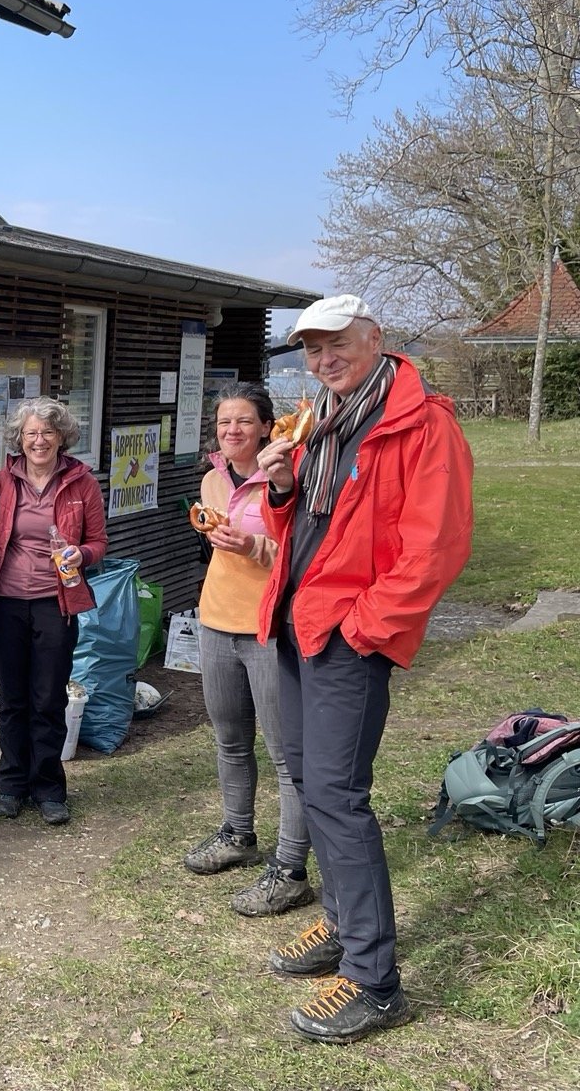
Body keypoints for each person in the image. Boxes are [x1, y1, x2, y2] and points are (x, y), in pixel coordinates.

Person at [256, 295, 473, 1042]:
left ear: (374, 338)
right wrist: (280, 487)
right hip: (296, 622)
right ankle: (344, 923)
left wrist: (365, 627)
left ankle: (376, 983)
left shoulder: (420, 423)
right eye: (312, 350)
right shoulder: (322, 419)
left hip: (345, 636)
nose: (324, 360)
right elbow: (306, 528)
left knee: (338, 796)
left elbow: (436, 548)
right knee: (307, 780)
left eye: (336, 344)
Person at [182, 383, 315, 917]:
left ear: (265, 427)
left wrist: (254, 545)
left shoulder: (288, 476)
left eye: (242, 421)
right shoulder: (212, 478)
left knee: (286, 754)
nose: (231, 430)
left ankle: (291, 868)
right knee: (230, 739)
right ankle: (237, 835)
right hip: (216, 620)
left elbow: (306, 552)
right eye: (223, 422)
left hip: (269, 627)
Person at [0, 398, 105, 826]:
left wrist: (81, 553)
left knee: (48, 698)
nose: (39, 440)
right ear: (19, 438)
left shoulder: (82, 482)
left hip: (56, 601)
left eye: (48, 432)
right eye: (31, 433)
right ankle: (11, 784)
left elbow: (99, 543)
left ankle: (49, 787)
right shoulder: (2, 481)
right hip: (7, 602)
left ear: (61, 437)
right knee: (12, 697)